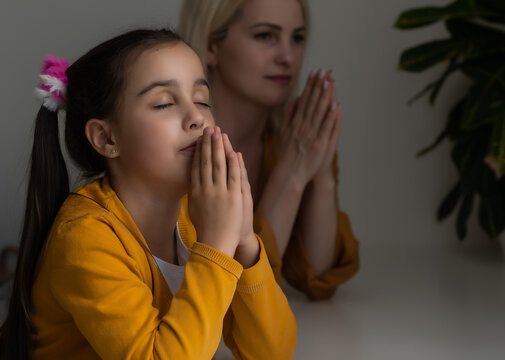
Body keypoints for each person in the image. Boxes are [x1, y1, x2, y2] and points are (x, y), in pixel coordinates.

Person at [0, 29, 296, 360]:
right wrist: (214, 247)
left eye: (201, 100)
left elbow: (273, 352)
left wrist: (244, 242)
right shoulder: (84, 238)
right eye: (165, 103)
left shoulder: (195, 215)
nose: (197, 117)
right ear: (106, 138)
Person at [179, 0, 359, 300]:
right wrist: (291, 174)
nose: (288, 57)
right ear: (211, 46)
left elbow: (317, 275)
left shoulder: (296, 137)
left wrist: (321, 173)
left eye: (297, 38)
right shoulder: (181, 149)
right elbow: (234, 295)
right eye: (265, 36)